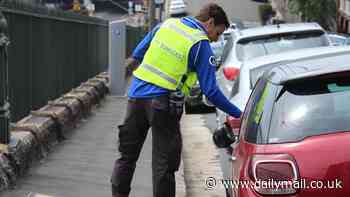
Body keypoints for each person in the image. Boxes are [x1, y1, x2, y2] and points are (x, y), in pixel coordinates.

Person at [111, 3, 242, 197]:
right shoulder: (200, 44)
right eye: (218, 33)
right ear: (210, 22)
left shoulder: (166, 25)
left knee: (126, 158)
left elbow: (138, 53)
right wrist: (239, 114)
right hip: (163, 104)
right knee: (164, 166)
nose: (216, 39)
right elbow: (211, 92)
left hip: (136, 97)